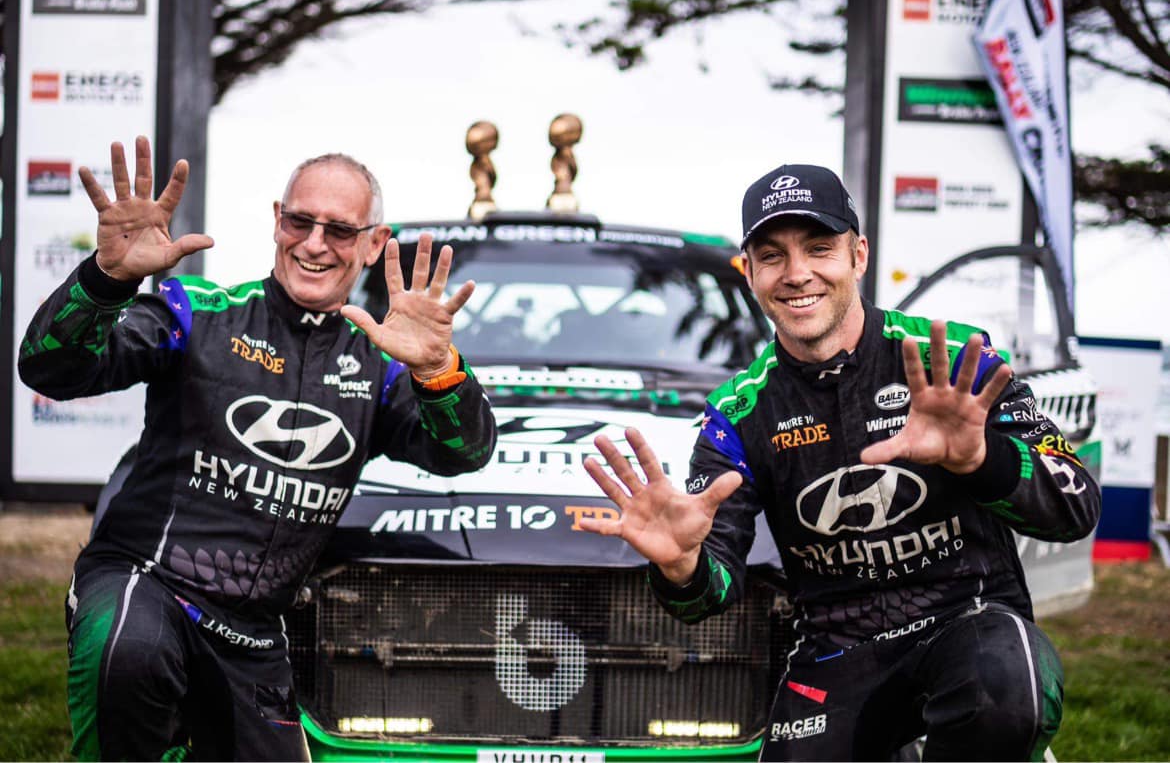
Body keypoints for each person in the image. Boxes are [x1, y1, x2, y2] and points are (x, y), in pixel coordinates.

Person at [579, 163, 1100, 761]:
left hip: (967, 624)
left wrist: (983, 459)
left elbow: (1076, 508)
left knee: (1005, 689)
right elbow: (706, 596)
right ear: (749, 273)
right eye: (772, 256)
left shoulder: (956, 358)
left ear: (859, 255)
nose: (797, 273)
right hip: (838, 652)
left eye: (819, 248)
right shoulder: (738, 412)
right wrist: (682, 567)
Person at [18, 136, 498, 761]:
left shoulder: (378, 367)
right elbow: (50, 370)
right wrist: (105, 283)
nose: (315, 244)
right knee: (130, 655)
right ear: (277, 220)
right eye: (300, 221)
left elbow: (464, 453)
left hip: (252, 634)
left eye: (340, 230)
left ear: (374, 243)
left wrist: (439, 371)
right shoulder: (199, 313)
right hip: (146, 581)